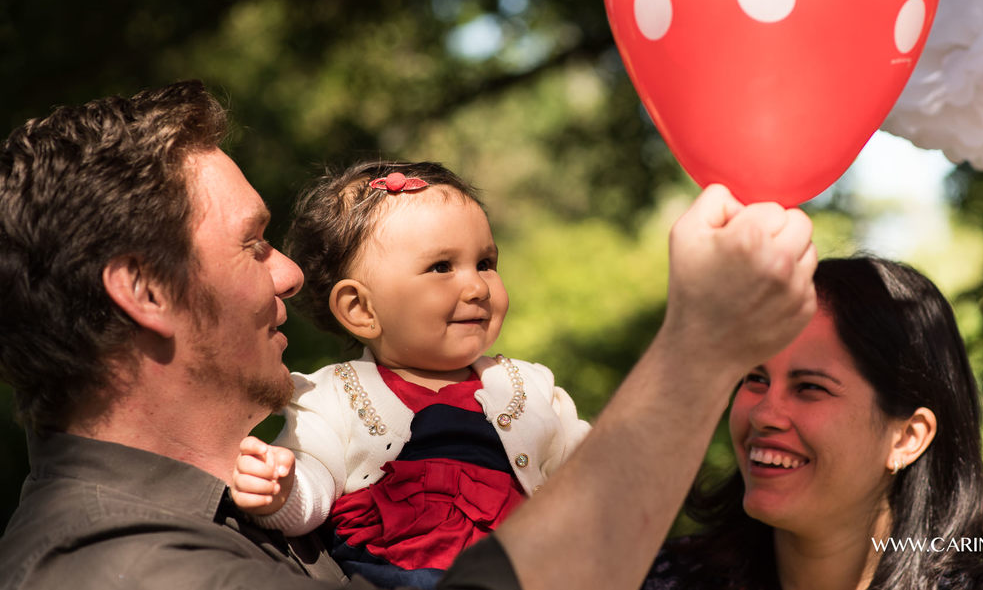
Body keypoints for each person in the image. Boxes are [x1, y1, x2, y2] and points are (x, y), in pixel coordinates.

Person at [0, 80, 818, 590]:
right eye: (253, 243)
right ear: (146, 289)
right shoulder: (110, 569)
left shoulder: (248, 506)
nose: (289, 272)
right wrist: (698, 350)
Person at [230, 161, 591, 589]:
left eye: (485, 262)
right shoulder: (333, 397)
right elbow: (316, 482)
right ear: (360, 310)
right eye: (442, 267)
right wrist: (282, 492)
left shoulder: (528, 389)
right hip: (397, 576)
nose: (477, 287)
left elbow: (596, 477)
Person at [643, 256, 983, 590]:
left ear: (907, 438)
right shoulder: (658, 579)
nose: (763, 414)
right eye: (755, 378)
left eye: (810, 387)